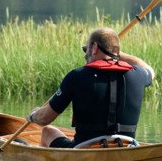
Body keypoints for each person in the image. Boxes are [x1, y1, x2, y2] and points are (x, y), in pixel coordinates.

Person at [26, 27, 154, 148]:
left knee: (47, 131)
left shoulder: (75, 76)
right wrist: (115, 52)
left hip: (84, 150)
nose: (85, 54)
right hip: (127, 146)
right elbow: (149, 70)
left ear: (94, 47)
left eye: (85, 48)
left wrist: (33, 115)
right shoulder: (138, 74)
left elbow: (44, 119)